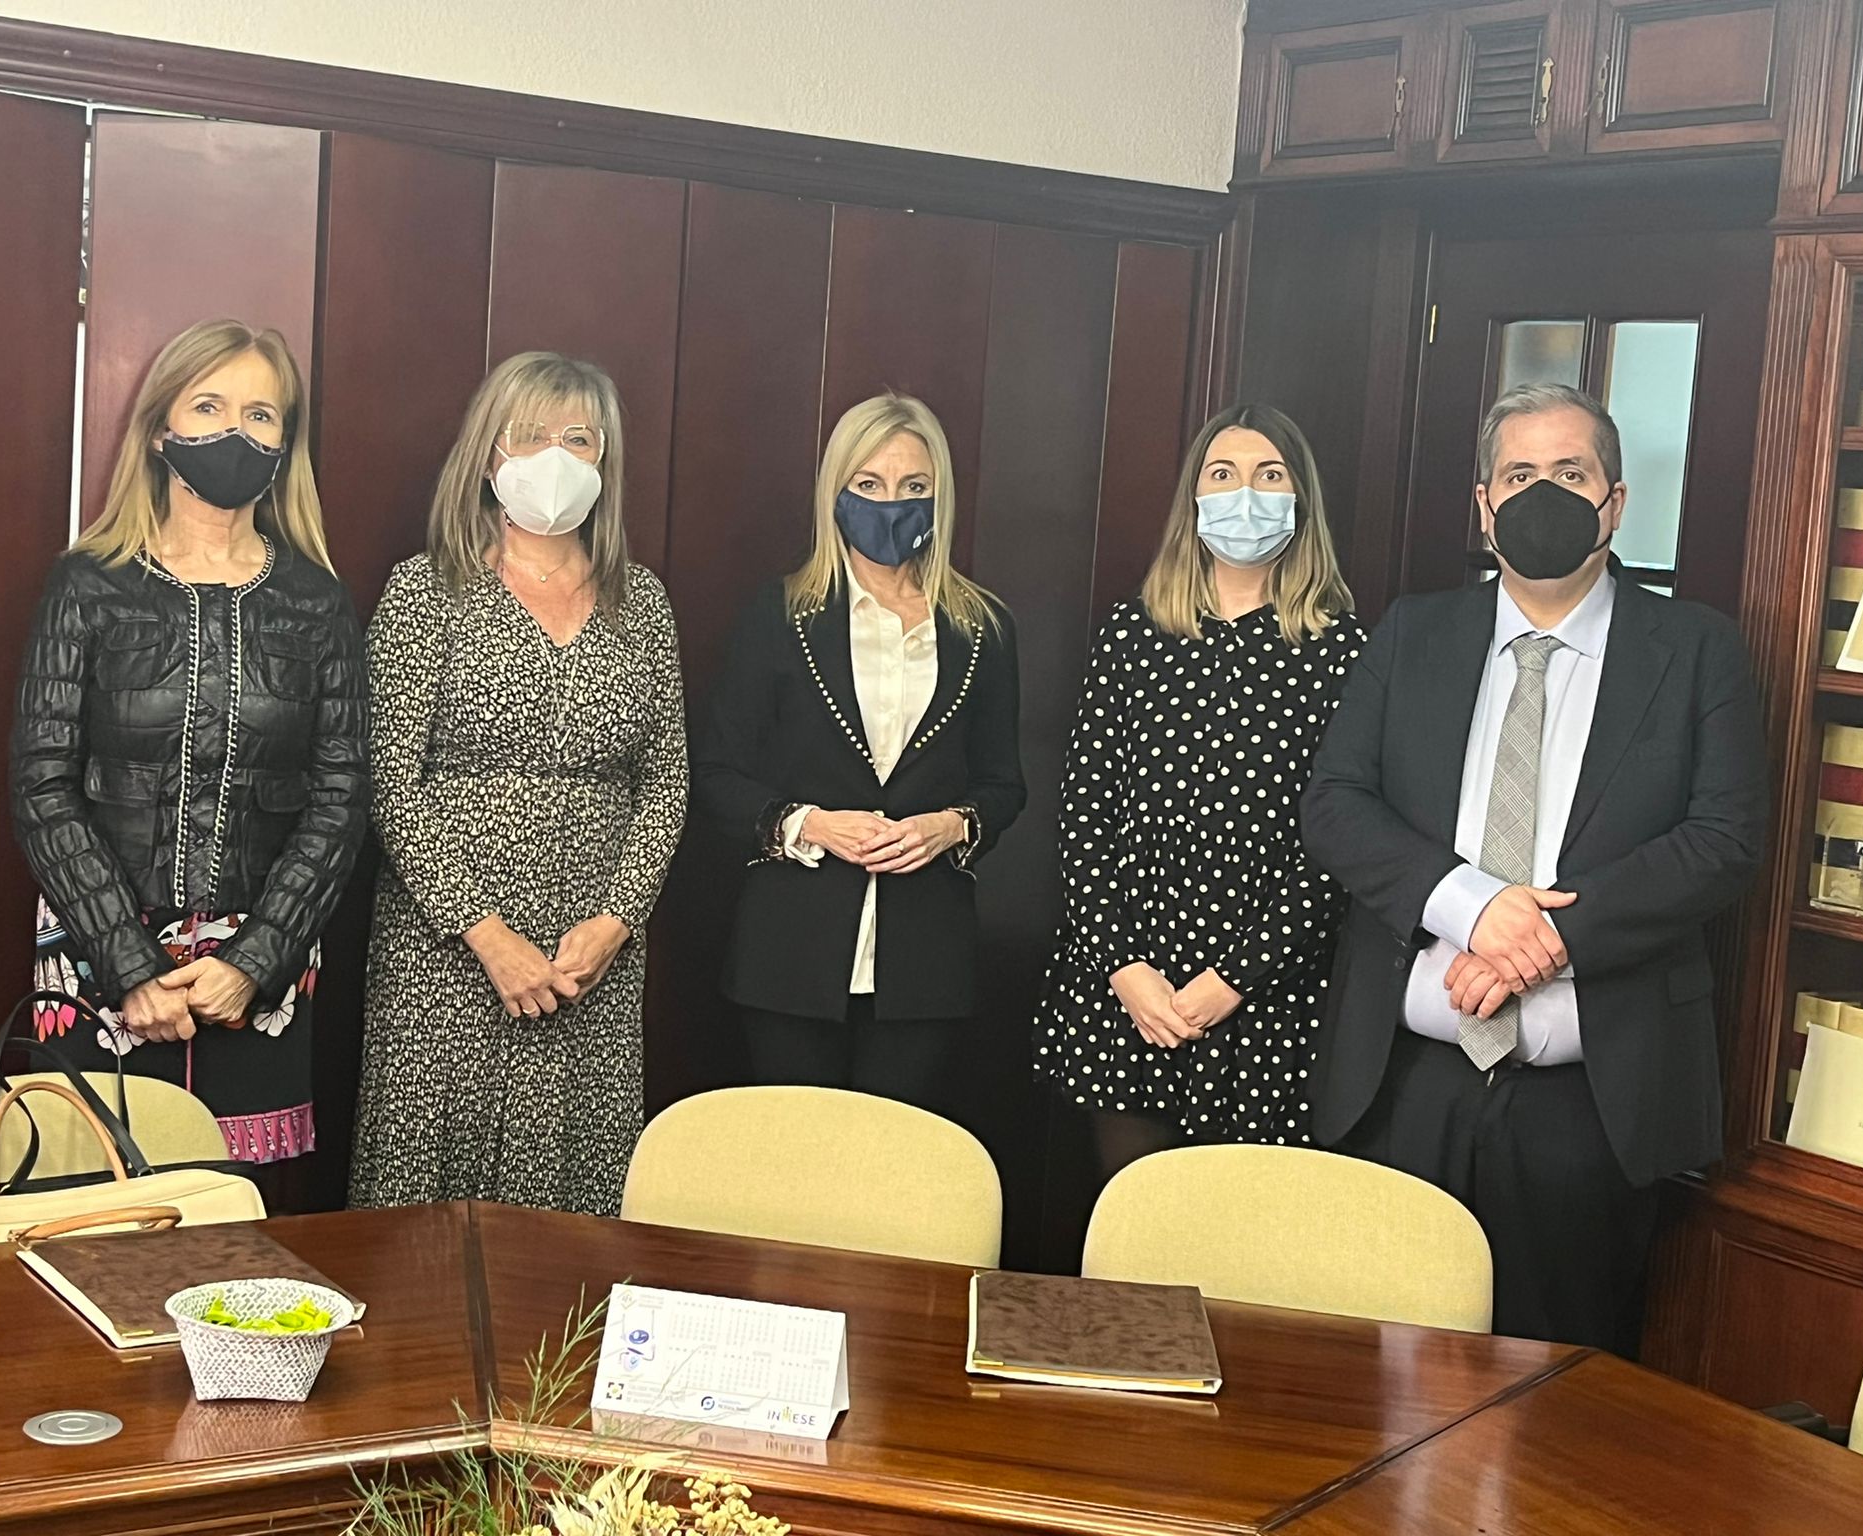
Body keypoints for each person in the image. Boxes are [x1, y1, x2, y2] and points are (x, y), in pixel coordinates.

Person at [1302, 383, 1768, 1353]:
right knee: (1376, 1373)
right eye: (1518, 475)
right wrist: (1473, 911)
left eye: (1569, 472)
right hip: (1403, 1086)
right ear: (1482, 505)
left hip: (1590, 1102)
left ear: (1614, 501)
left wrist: (1545, 939)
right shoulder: (1410, 632)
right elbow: (1335, 806)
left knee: (1554, 1385)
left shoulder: (1695, 649)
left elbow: (1723, 839)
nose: (1541, 494)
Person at [11, 319, 368, 1168]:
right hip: (99, 963)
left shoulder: (317, 602)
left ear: (284, 445)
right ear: (159, 428)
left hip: (257, 973)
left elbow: (341, 796)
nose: (234, 433)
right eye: (208, 406)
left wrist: (255, 961)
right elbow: (42, 785)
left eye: (260, 415)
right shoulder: (87, 585)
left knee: (238, 1226)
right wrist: (130, 965)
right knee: (92, 1217)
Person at [348, 353, 686, 1216]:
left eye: (579, 439)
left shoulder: (642, 603)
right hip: (448, 955)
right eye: (531, 436)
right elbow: (391, 783)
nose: (556, 457)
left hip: (590, 964)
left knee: (570, 1204)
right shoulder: (426, 590)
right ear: (488, 453)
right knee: (428, 1209)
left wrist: (616, 922)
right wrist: (487, 936)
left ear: (607, 460)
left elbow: (666, 784)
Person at [1033, 404, 1364, 1186]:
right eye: (1223, 474)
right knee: (1135, 1217)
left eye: (1269, 475)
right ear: (1194, 497)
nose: (1245, 493)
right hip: (1129, 980)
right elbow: (1085, 814)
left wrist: (1234, 980)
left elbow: (1343, 840)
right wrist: (1124, 968)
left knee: (1242, 1228)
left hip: (1268, 993)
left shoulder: (1343, 650)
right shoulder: (1133, 633)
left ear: (1300, 498)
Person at [694, 393, 1024, 1116]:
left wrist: (951, 826)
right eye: (868, 484)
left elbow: (1004, 783)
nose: (890, 504)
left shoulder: (982, 625)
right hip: (791, 951)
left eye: (913, 486)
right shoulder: (779, 612)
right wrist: (811, 824)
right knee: (794, 1160)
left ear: (940, 495)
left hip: (926, 957)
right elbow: (716, 774)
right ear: (835, 492)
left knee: (897, 1164)